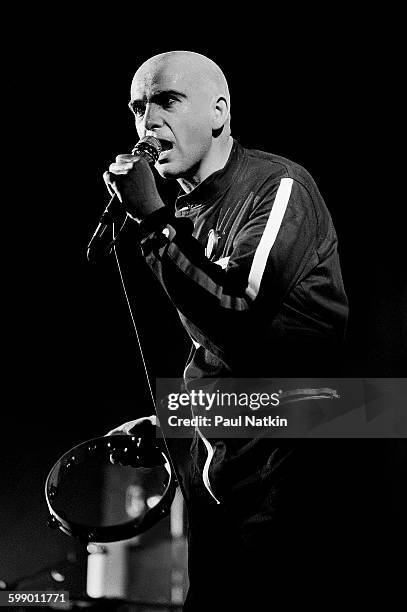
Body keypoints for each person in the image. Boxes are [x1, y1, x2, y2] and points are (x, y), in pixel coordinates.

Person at [104, 51, 354, 610]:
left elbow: (242, 311)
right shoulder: (183, 218)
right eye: (138, 107)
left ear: (219, 111)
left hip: (297, 458)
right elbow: (217, 355)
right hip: (222, 469)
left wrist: (153, 222)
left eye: (167, 101)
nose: (148, 122)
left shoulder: (277, 185)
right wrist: (175, 419)